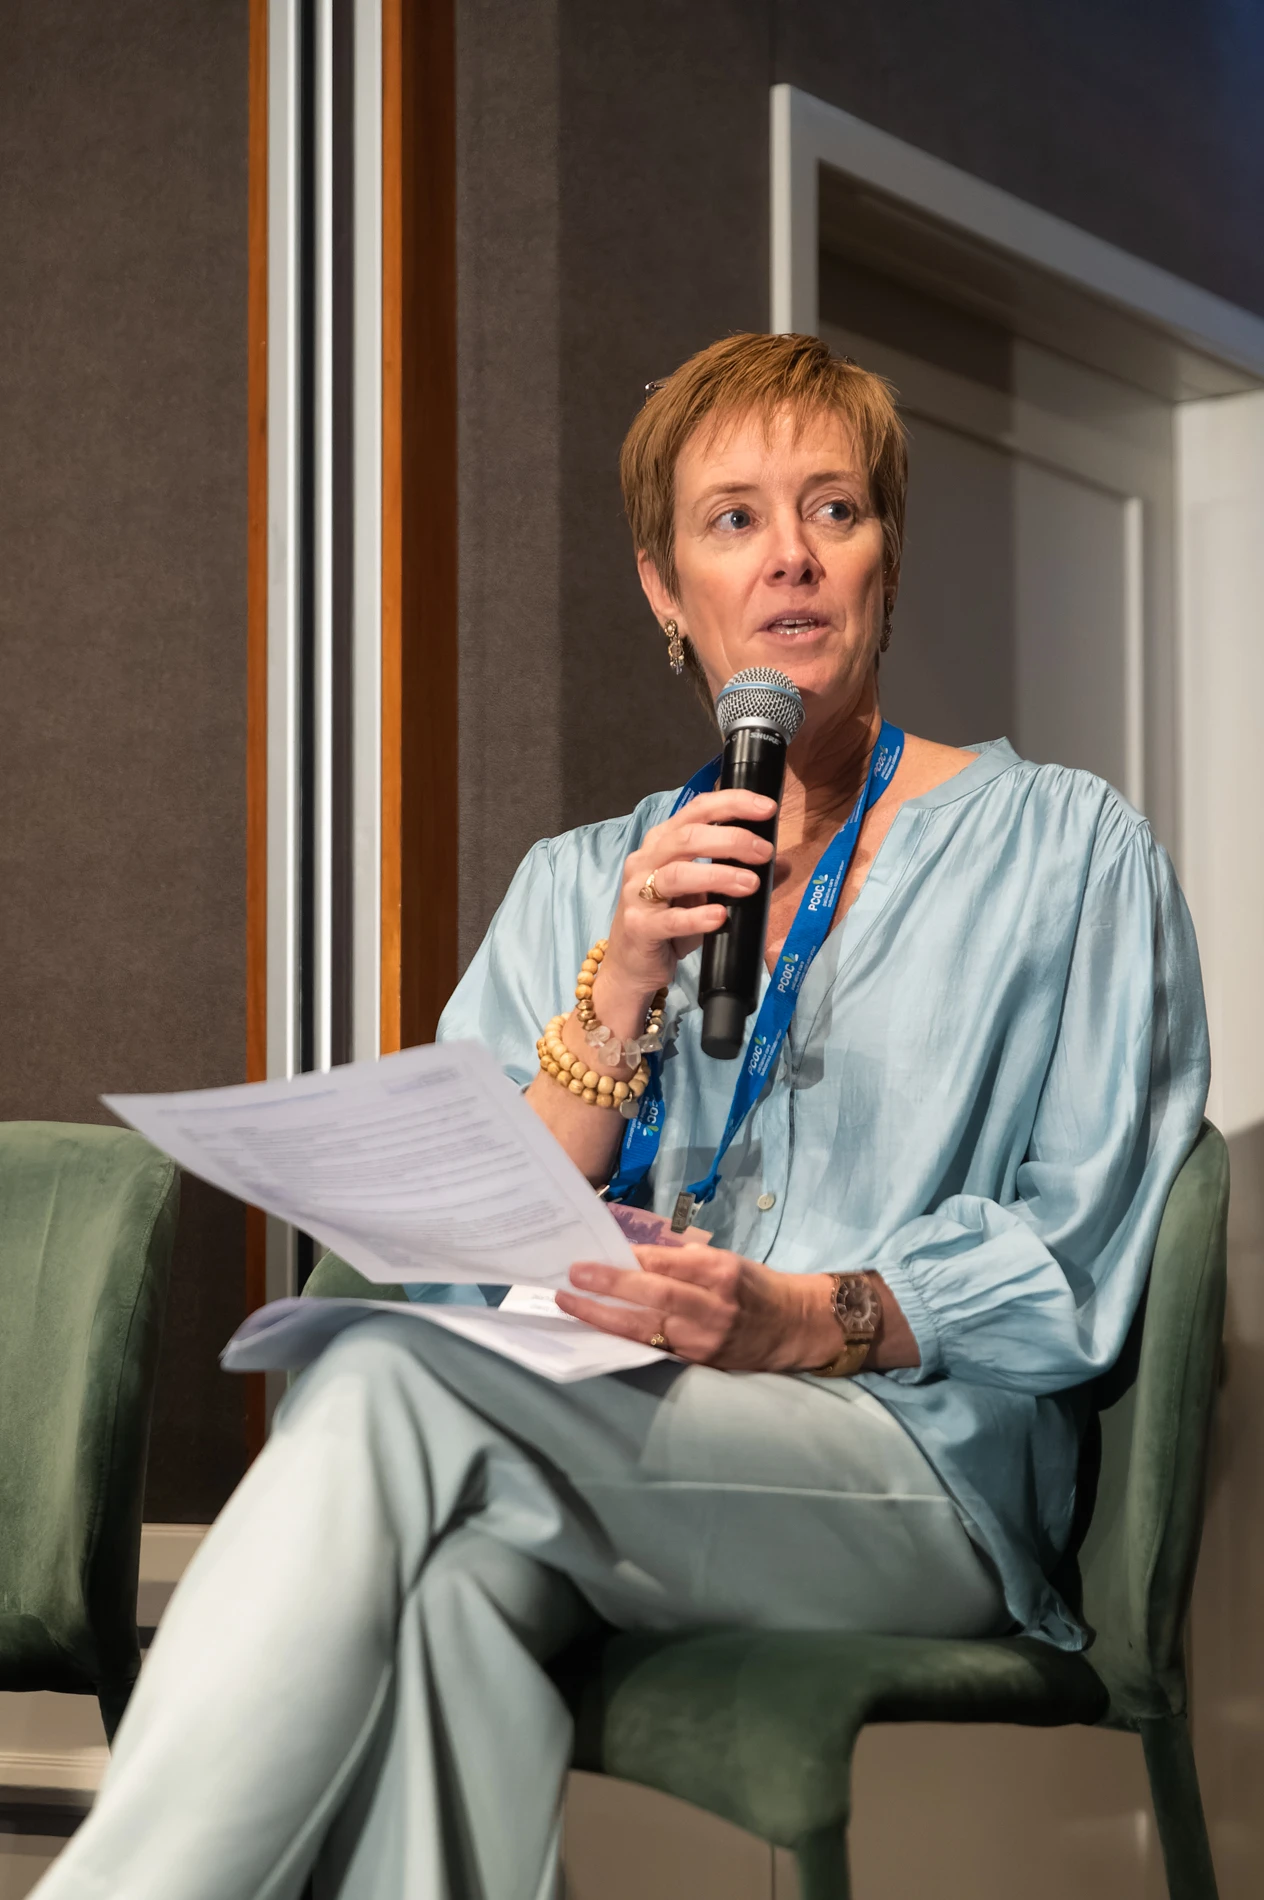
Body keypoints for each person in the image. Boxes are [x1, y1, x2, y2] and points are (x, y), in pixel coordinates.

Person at [36, 332, 1209, 1900]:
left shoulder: (1069, 851)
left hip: (912, 1473)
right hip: (594, 1425)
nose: (790, 557)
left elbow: (1082, 1250)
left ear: (887, 556)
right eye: (733, 520)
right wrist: (619, 995)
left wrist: (806, 1314)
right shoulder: (582, 885)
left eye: (836, 509)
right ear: (667, 589)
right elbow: (455, 1262)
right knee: (449, 1594)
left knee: (382, 1381)